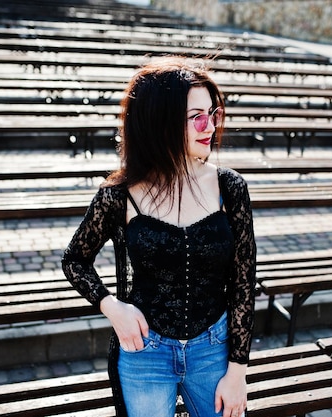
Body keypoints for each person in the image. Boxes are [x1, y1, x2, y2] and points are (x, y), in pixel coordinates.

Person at [61, 56, 256, 417]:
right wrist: (111, 306)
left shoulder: (230, 187)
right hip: (144, 353)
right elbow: (74, 260)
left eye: (213, 113)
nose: (208, 125)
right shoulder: (120, 194)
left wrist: (238, 371)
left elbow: (244, 280)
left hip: (214, 348)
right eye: (195, 116)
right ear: (161, 123)